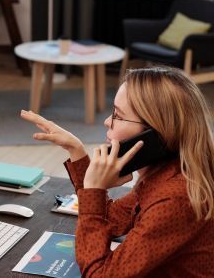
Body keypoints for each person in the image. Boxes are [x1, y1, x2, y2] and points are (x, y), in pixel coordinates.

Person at [21, 66, 214, 277]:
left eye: (117, 115)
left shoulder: (175, 198)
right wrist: (76, 151)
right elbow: (113, 221)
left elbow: (100, 274)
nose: (106, 122)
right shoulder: (166, 172)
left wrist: (95, 188)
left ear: (153, 134)